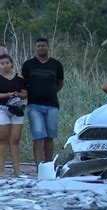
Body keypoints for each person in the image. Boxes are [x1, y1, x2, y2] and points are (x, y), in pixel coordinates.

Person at [21, 37, 64, 167]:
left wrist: (49, 91)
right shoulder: (28, 65)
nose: (40, 48)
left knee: (49, 137)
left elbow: (59, 84)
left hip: (52, 105)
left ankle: (48, 165)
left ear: (48, 47)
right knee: (38, 136)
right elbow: (24, 83)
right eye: (38, 46)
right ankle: (39, 167)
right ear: (35, 48)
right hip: (34, 105)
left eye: (43, 46)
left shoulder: (56, 65)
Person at [0, 54, 27, 176]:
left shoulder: (19, 79)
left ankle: (17, 170)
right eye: (2, 63)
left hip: (17, 110)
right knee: (2, 140)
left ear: (11, 63)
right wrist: (7, 95)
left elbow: (25, 93)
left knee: (15, 140)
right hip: (2, 109)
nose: (5, 65)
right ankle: (1, 170)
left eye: (7, 63)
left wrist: (18, 94)